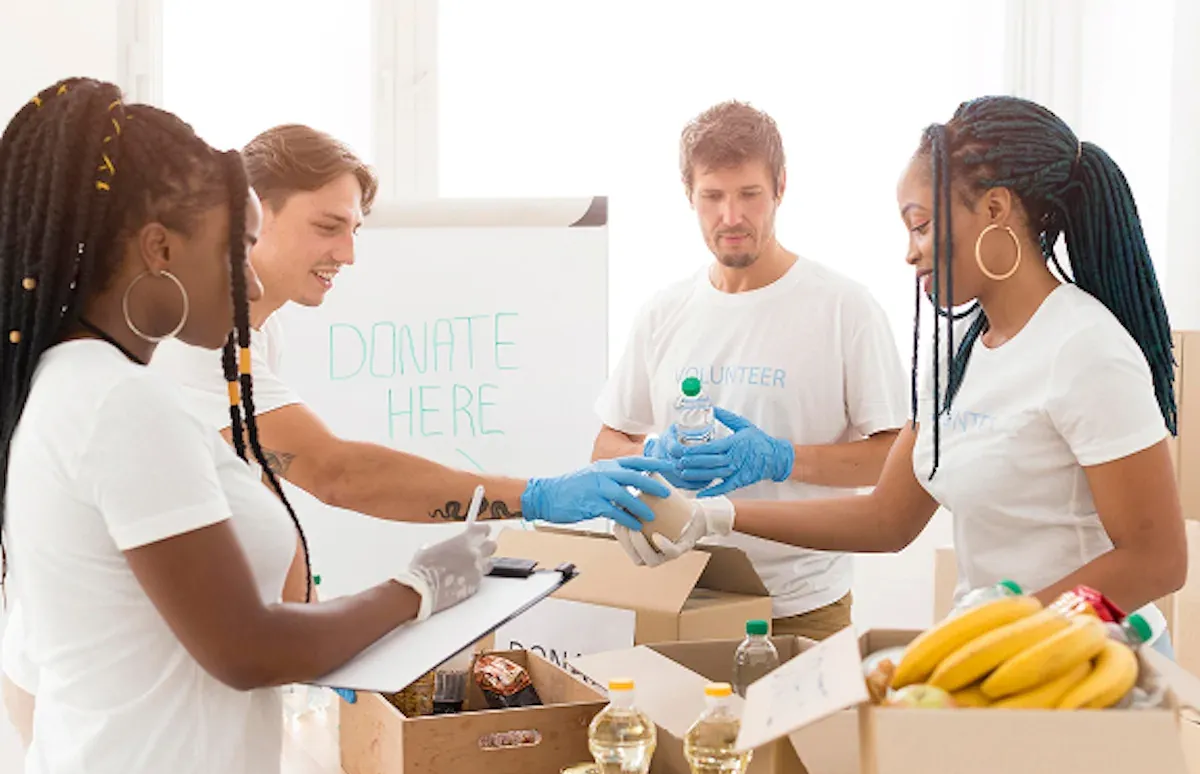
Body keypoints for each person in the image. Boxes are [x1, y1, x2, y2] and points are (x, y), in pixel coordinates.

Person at [0, 76, 531, 774]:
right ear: (158, 247)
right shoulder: (121, 405)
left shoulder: (74, 381)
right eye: (237, 249)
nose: (251, 284)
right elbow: (247, 647)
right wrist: (421, 589)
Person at [616, 95, 1187, 657]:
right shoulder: (957, 356)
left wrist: (1006, 636)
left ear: (993, 211)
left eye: (921, 226)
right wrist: (714, 514)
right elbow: (886, 518)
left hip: (1094, 663)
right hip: (1000, 659)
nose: (909, 253)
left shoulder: (1084, 348)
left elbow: (1157, 561)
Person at [149, 124, 668, 605]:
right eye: (329, 227)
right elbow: (335, 473)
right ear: (252, 213)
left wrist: (303, 625)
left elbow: (259, 495)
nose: (347, 254)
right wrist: (534, 496)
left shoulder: (259, 333)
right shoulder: (197, 339)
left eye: (354, 230)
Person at [593, 100, 908, 641]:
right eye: (713, 196)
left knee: (799, 733)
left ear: (781, 187)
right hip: (678, 593)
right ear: (689, 194)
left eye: (749, 195)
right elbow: (606, 444)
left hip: (800, 604)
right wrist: (650, 456)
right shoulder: (664, 312)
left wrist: (781, 459)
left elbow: (890, 463)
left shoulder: (843, 308)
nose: (731, 217)